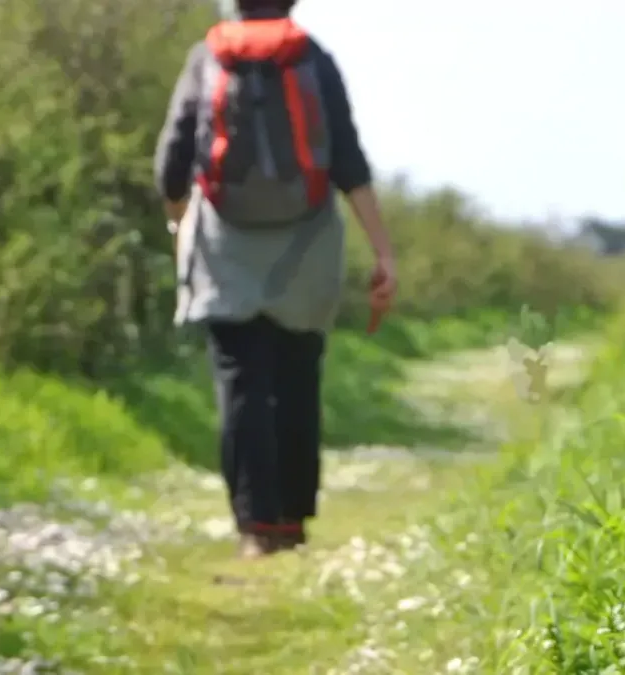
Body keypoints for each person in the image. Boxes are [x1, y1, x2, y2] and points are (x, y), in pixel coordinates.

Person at [153, 0, 396, 560]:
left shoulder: (206, 58)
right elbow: (348, 160)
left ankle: (254, 527)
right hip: (307, 242)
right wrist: (383, 251)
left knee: (240, 382)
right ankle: (292, 519)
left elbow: (171, 162)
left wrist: (178, 226)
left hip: (224, 245)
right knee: (296, 378)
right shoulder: (312, 57)